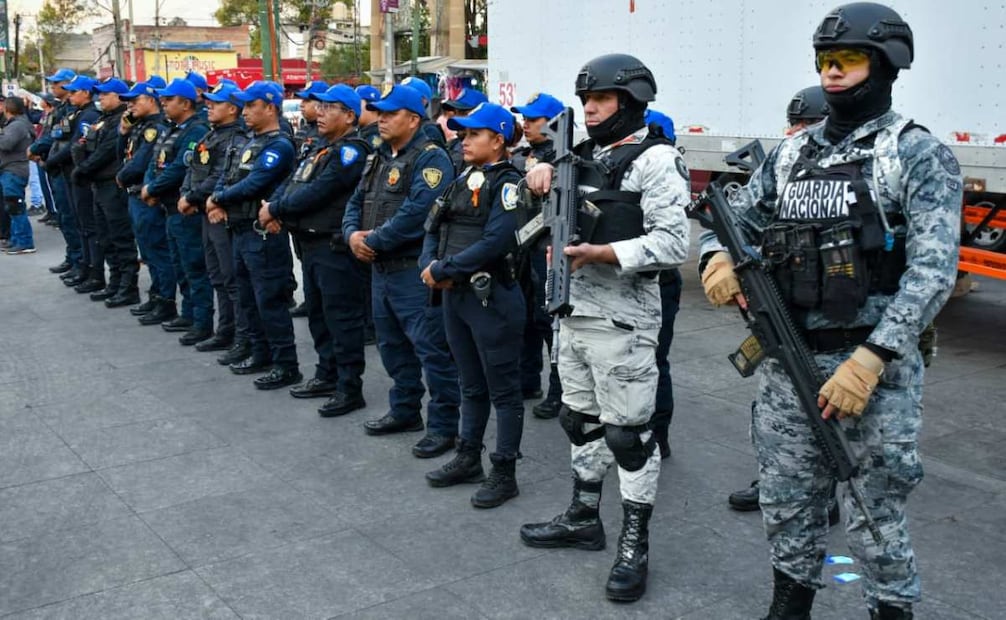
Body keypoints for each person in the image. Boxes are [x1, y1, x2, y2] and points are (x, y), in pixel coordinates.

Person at [698, 4, 961, 618]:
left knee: (875, 512)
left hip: (873, 369)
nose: (832, 73)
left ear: (886, 65)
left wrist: (871, 360)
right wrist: (717, 255)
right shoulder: (792, 155)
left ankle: (890, 609)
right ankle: (788, 608)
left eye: (846, 60)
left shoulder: (915, 154)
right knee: (787, 501)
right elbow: (739, 215)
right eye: (824, 62)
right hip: (790, 359)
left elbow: (933, 272)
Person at [518, 54, 691, 603]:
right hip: (573, 314)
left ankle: (634, 543)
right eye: (586, 100)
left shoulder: (657, 161)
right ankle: (583, 516)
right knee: (580, 420)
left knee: (629, 438)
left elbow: (672, 244)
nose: (589, 109)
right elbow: (540, 206)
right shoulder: (576, 156)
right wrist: (536, 174)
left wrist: (604, 251)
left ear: (632, 102)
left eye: (602, 100)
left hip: (625, 321)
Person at [727, 84, 832, 512]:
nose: (794, 132)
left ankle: (825, 493)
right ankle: (774, 475)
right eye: (792, 124)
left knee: (821, 405)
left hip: (831, 318)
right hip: (779, 302)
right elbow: (744, 222)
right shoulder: (782, 170)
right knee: (777, 406)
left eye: (804, 124)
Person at [341, 85, 461, 459]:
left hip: (412, 272)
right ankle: (405, 410)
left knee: (432, 351)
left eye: (390, 114)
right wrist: (350, 235)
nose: (381, 118)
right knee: (391, 347)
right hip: (381, 270)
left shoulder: (431, 159)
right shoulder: (378, 157)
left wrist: (372, 239)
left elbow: (418, 213)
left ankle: (444, 427)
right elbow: (356, 201)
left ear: (413, 119)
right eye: (379, 112)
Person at [420, 103, 527, 507]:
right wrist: (430, 266)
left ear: (497, 140)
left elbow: (496, 241)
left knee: (503, 390)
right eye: (462, 135)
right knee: (470, 383)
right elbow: (434, 226)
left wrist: (444, 268)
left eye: (473, 135)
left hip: (491, 298)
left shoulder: (507, 184)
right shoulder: (461, 178)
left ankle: (504, 471)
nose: (463, 141)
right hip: (455, 294)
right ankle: (468, 457)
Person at [263, 84, 371, 417]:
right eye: (319, 108)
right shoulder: (319, 147)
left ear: (349, 115)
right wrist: (276, 205)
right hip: (311, 245)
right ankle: (327, 374)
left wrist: (277, 210)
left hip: (334, 247)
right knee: (319, 315)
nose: (319, 113)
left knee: (343, 319)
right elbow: (295, 182)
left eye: (329, 108)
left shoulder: (351, 151)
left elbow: (320, 191)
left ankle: (350, 387)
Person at [206, 81, 300, 390]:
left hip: (262, 234)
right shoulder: (247, 141)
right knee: (247, 298)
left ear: (270, 108)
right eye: (244, 106)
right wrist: (217, 197)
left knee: (269, 300)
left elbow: (255, 184)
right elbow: (227, 175)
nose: (245, 112)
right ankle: (260, 352)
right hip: (240, 229)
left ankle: (286, 365)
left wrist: (219, 199)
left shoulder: (279, 145)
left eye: (251, 106)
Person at [178, 81, 248, 355]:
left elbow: (222, 175)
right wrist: (187, 193)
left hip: (222, 214)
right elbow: (192, 168)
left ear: (232, 108)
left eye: (216, 103)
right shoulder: (211, 135)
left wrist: (193, 197)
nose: (209, 106)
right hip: (207, 213)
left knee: (231, 279)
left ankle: (241, 337)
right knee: (216, 275)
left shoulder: (235, 138)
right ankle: (225, 330)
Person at [141, 78, 212, 344]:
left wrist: (153, 189)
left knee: (194, 265)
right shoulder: (172, 128)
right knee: (180, 263)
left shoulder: (194, 130)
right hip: (168, 205)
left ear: (185, 103)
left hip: (185, 209)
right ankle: (188, 312)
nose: (164, 104)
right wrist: (151, 188)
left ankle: (202, 320)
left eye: (169, 100)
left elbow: (179, 168)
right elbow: (157, 161)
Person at [509, 92, 564, 418]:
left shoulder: (563, 158)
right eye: (524, 119)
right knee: (526, 319)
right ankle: (528, 379)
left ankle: (560, 391)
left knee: (549, 324)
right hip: (523, 250)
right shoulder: (526, 153)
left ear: (555, 123)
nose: (525, 124)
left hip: (548, 250)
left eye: (533, 119)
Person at [72, 78, 139, 307]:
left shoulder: (123, 119)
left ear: (118, 97)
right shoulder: (103, 119)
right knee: (105, 237)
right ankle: (116, 282)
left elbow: (107, 151)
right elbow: (85, 145)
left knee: (120, 237)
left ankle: (128, 287)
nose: (100, 98)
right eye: (99, 94)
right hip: (99, 185)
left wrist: (82, 169)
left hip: (112, 184)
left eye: (105, 94)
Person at [116, 82, 174, 323]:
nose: (130, 105)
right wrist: (122, 132)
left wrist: (121, 176)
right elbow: (122, 154)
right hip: (134, 193)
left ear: (151, 100)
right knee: (148, 250)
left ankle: (166, 299)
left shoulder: (156, 128)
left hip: (145, 193)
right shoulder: (139, 126)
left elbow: (140, 163)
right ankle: (156, 294)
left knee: (157, 249)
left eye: (135, 100)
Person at [31, 70, 82, 275]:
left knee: (73, 217)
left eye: (57, 83)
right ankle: (73, 257)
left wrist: (39, 152)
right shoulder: (61, 109)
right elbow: (53, 135)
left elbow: (69, 143)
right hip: (57, 167)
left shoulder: (79, 112)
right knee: (65, 216)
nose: (52, 87)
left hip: (68, 169)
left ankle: (80, 260)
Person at [56, 76, 103, 293]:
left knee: (89, 226)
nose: (71, 95)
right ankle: (84, 266)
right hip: (72, 173)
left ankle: (94, 271)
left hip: (82, 175)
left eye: (75, 91)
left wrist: (51, 161)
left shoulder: (90, 114)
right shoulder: (76, 112)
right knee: (80, 224)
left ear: (85, 92)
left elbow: (76, 145)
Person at [288, 80, 328, 320]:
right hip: (298, 207)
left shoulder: (325, 136)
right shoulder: (305, 129)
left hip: (316, 214)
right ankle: (312, 299)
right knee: (303, 257)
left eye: (308, 100)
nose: (303, 105)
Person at [0, 98, 39, 254]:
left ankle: (24, 241)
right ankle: (16, 239)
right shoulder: (15, 124)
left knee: (15, 206)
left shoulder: (17, 125)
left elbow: (6, 144)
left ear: (8, 108)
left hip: (14, 169)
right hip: (11, 168)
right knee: (12, 206)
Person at [440, 89, 488, 173]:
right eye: (455, 112)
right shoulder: (451, 145)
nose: (457, 117)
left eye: (463, 113)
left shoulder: (484, 151)